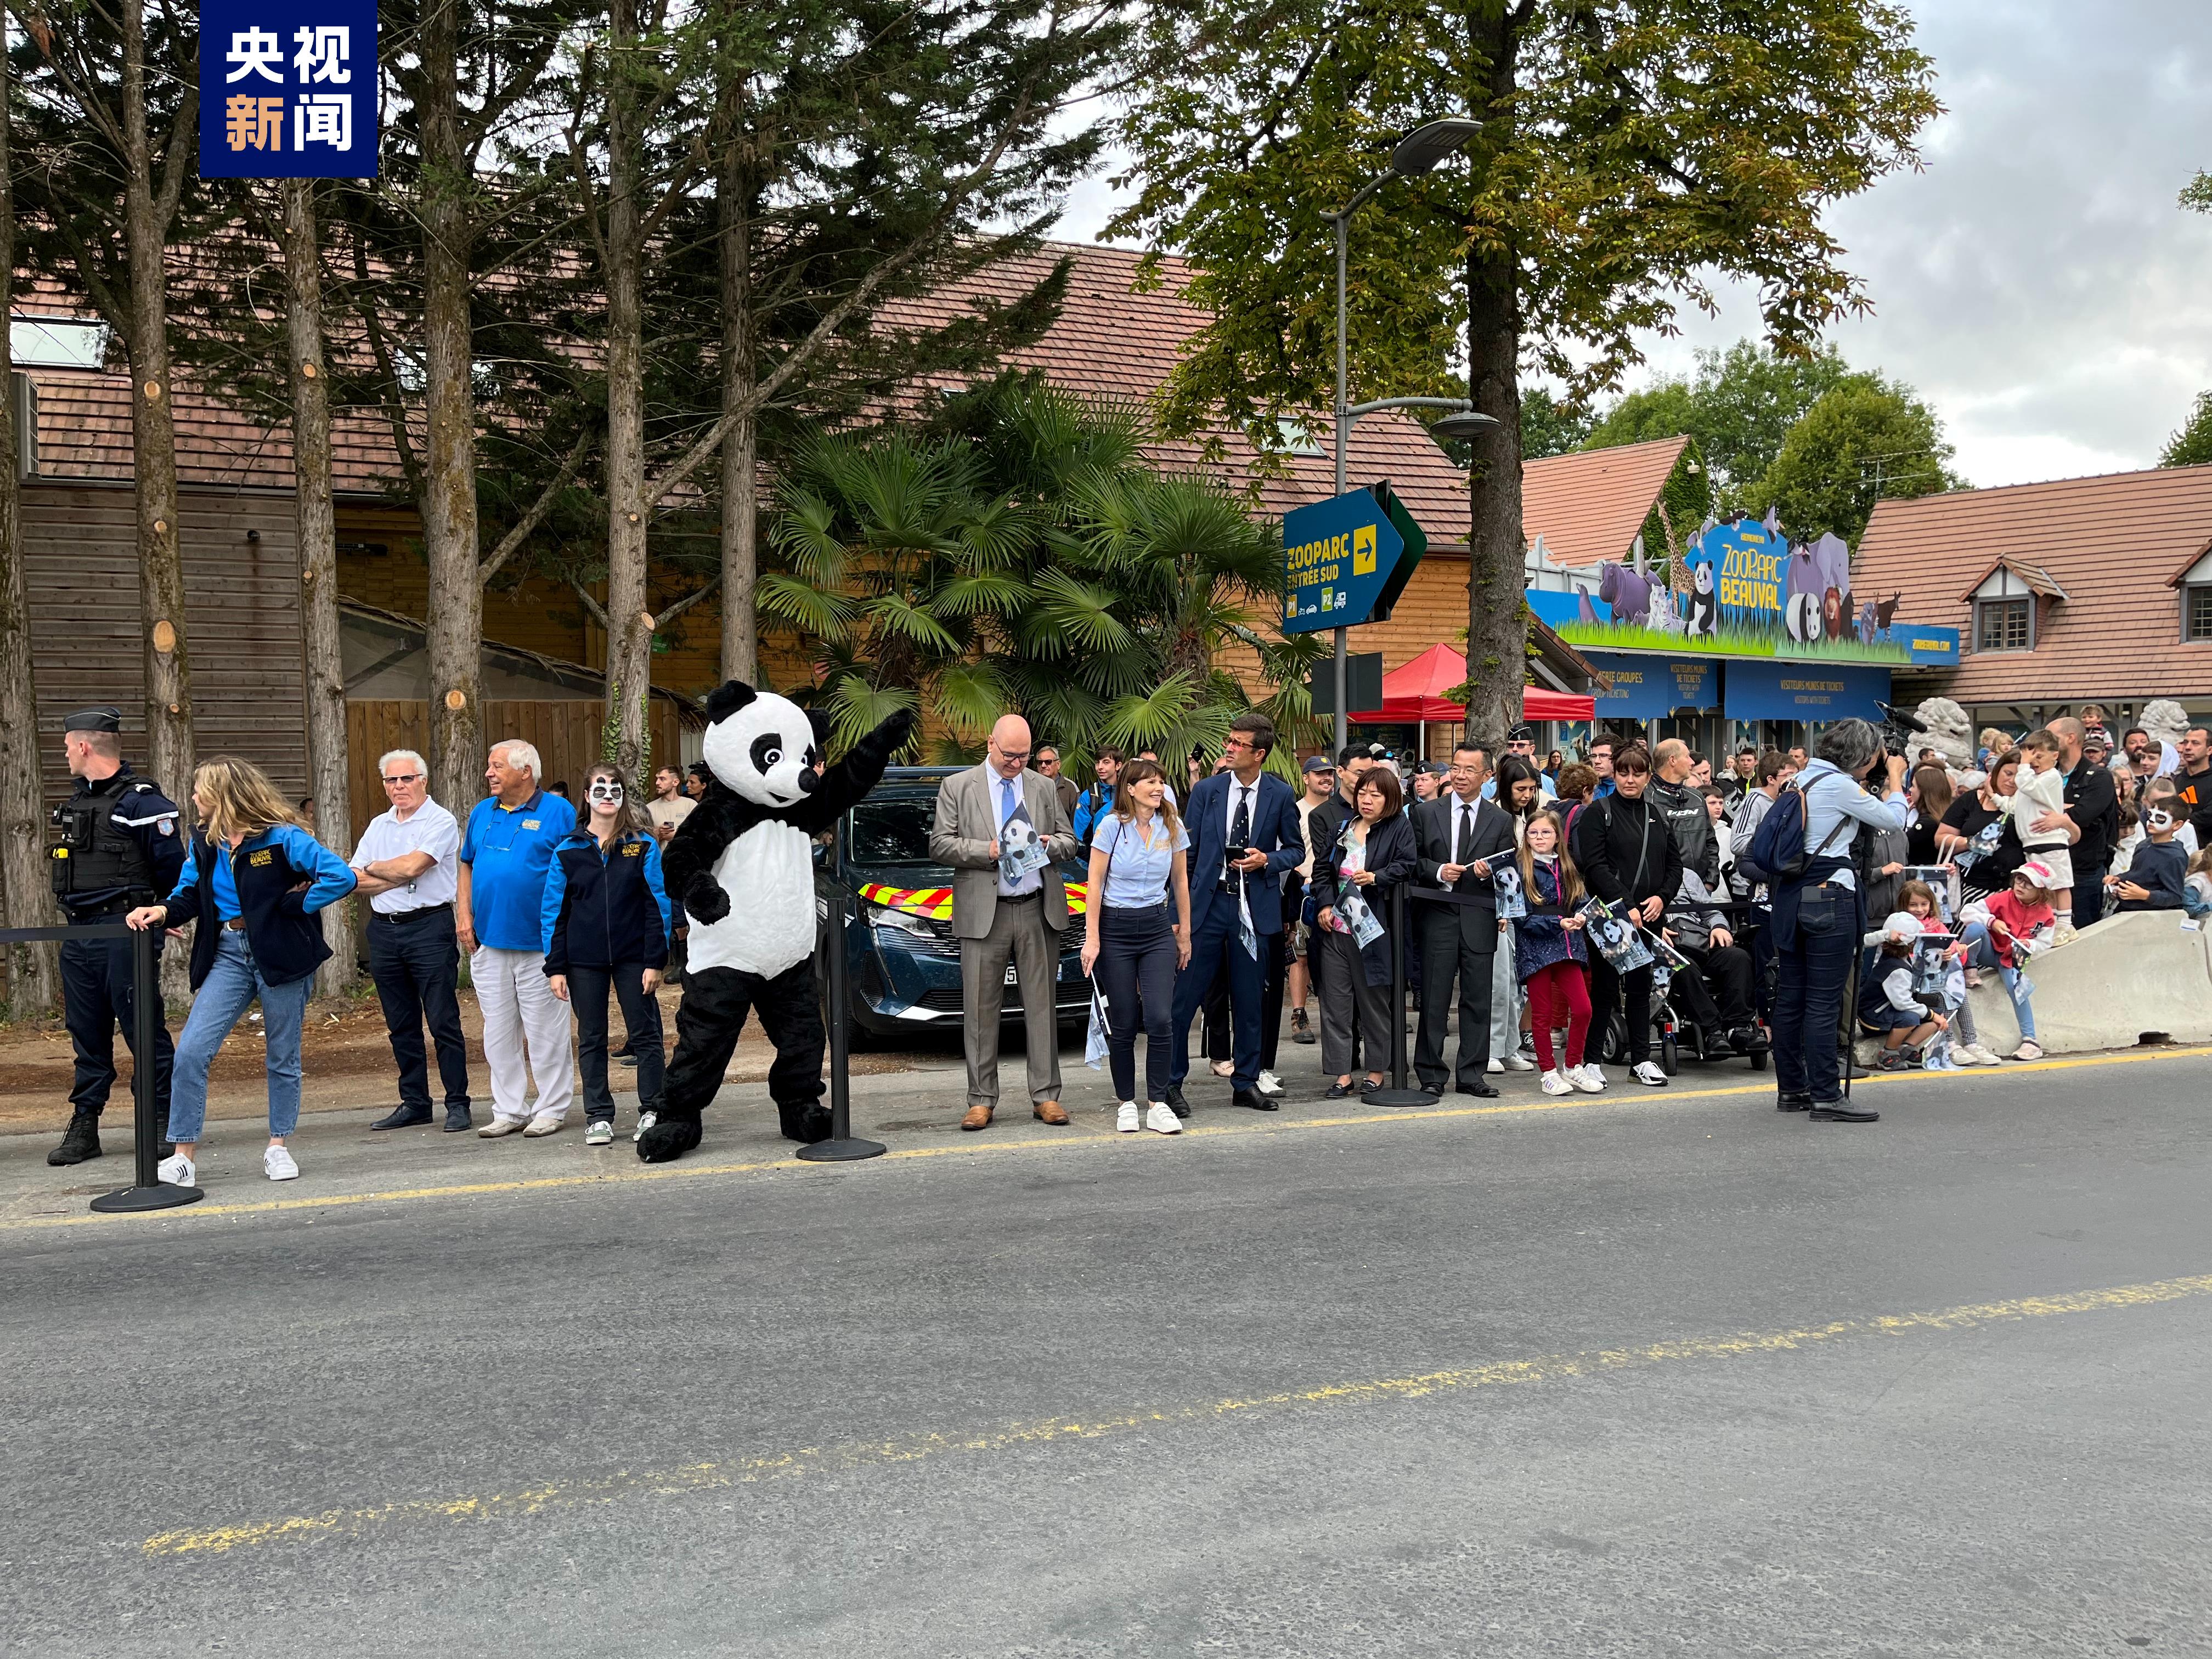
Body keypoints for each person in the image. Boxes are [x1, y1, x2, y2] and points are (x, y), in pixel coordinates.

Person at [126, 757, 357, 1188]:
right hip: (229, 956)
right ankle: (183, 1156)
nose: (193, 797)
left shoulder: (283, 837)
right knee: (192, 1051)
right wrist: (160, 910)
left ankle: (278, 1147)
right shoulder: (205, 841)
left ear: (223, 795)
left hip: (282, 955)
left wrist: (292, 906)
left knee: (282, 1056)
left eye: (199, 790)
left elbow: (340, 876)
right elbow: (187, 895)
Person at [44, 707, 184, 1168]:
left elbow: (173, 869)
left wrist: (164, 912)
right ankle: (86, 1123)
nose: (65, 754)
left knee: (142, 1027)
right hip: (81, 932)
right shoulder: (77, 800)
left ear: (84, 747)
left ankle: (162, 1118)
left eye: (67, 747)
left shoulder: (143, 803)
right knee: (86, 1031)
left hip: (129, 930)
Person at [930, 714, 1082, 1131]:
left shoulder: (1043, 786)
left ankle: (1047, 1096)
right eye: (1011, 756)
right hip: (986, 911)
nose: (1018, 763)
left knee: (1042, 1008)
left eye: (1025, 756)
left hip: (1036, 907)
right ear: (990, 745)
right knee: (981, 1010)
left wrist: (1052, 844)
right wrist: (989, 850)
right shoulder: (958, 787)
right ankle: (981, 1100)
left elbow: (1071, 841)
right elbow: (940, 844)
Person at [1767, 719, 1908, 1121]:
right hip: (1829, 894)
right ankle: (1827, 1094)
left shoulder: (1799, 780)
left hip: (1793, 893)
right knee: (1824, 1001)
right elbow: (1893, 819)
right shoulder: (1841, 786)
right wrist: (1895, 779)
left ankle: (1793, 1089)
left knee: (1792, 996)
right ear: (1863, 758)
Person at [1165, 714, 1305, 1114]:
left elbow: (1295, 850)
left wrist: (1269, 859)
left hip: (1253, 910)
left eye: (1239, 743)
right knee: (1185, 999)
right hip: (1207, 908)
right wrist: (1179, 914)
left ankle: (1245, 1081)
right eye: (1230, 740)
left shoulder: (1279, 794)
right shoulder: (1208, 790)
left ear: (1259, 753)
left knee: (1250, 1002)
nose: (1229, 747)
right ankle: (1171, 1084)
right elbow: (1185, 857)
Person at [541, 765, 672, 1147]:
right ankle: (598, 1114)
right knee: (592, 1037)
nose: (608, 795)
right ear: (586, 796)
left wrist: (655, 960)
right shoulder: (567, 850)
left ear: (623, 796)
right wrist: (556, 967)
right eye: (600, 788)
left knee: (646, 1035)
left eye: (615, 788)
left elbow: (657, 904)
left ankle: (653, 1108)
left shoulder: (642, 844)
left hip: (635, 958)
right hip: (584, 961)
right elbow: (554, 911)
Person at [458, 740, 579, 1137]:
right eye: (489, 766)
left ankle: (551, 1108)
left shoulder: (559, 812)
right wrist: (463, 914)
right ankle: (509, 1109)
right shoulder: (482, 811)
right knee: (498, 1030)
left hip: (540, 943)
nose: (489, 773)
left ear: (525, 771)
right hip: (489, 940)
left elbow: (575, 870)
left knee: (545, 1029)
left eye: (497, 767)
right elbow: (466, 864)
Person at [350, 748, 472, 1132]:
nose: (399, 786)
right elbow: (354, 879)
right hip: (384, 931)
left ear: (423, 780)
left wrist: (381, 870)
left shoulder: (440, 820)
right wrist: (391, 872)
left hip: (428, 928)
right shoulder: (378, 825)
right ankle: (415, 1102)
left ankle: (458, 1103)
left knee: (442, 1021)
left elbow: (415, 866)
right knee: (400, 1024)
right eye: (392, 780)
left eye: (407, 779)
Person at [1080, 758, 1192, 1135]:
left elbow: (1180, 883)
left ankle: (1158, 1103)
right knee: (1124, 1021)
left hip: (1157, 927)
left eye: (1161, 781)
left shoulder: (1171, 826)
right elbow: (1094, 884)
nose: (1158, 787)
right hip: (1115, 928)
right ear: (1130, 789)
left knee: (1161, 1017)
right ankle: (1126, 1101)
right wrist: (1092, 937)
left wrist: (1185, 933)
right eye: (1150, 782)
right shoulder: (1111, 827)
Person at [1410, 743, 1520, 1097]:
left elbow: (1509, 870)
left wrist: (1492, 872)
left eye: (1469, 770)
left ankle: (1472, 1074)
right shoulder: (1426, 813)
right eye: (1455, 768)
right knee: (1434, 1000)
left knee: (1477, 1000)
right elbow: (1411, 861)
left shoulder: (1502, 820)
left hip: (1479, 918)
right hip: (1437, 916)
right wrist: (1440, 870)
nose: (1460, 775)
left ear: (1487, 776)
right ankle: (1430, 1073)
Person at [1570, 744, 1681, 1086]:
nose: (1630, 780)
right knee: (1604, 990)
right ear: (1614, 774)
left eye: (1637, 773)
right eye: (1623, 773)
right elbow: (1594, 866)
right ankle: (1591, 1061)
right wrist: (1626, 903)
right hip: (1610, 917)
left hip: (1650, 915)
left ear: (1649, 776)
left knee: (1640, 988)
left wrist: (1662, 898)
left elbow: (1675, 865)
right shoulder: (1597, 812)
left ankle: (1642, 1060)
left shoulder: (1658, 815)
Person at [1312, 765, 1417, 1098]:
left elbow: (1407, 864)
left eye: (1376, 795)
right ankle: (1342, 1073)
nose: (1367, 800)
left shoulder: (1398, 827)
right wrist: (1325, 905)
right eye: (1362, 793)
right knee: (1335, 1003)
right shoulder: (1342, 827)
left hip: (1374, 930)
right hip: (1338, 928)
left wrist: (1377, 877)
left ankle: (1376, 1070)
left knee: (1374, 1003)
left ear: (1391, 799)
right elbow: (1321, 870)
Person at [1513, 809, 1600, 1096]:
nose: (1540, 838)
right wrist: (1557, 922)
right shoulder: (1520, 869)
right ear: (1526, 838)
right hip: (1536, 947)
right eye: (1534, 833)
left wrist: (1583, 917)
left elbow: (1583, 901)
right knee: (1543, 1013)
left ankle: (1573, 1065)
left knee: (1584, 1008)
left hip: (1568, 946)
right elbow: (1520, 916)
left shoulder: (1568, 866)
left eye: (1546, 833)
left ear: (1558, 837)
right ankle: (1548, 1072)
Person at [1958, 861, 2057, 1061]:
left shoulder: (2046, 914)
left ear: (2042, 891)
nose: (2021, 885)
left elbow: (2045, 942)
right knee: (1975, 929)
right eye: (2019, 879)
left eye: (2029, 883)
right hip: (1990, 950)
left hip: (2013, 957)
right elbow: (1966, 913)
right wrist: (1992, 922)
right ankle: (1970, 968)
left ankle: (2031, 1040)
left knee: (2017, 988)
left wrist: (2030, 945)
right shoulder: (2003, 897)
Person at [1898, 877, 1995, 1066]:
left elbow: (1956, 950)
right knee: (1944, 993)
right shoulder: (1902, 926)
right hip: (1918, 984)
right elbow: (1905, 957)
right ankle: (1949, 1042)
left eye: (1924, 904)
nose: (1919, 909)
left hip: (1938, 978)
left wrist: (1956, 951)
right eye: (1913, 905)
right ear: (1904, 905)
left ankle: (1971, 1042)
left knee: (1960, 993)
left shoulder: (1937, 925)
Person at [2047, 716, 2119, 933]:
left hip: (2084, 868)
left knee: (2082, 933)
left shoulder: (2099, 777)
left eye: (2052, 737)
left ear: (2071, 738)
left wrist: (2060, 812)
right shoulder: (2046, 774)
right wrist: (2066, 808)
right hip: (2048, 865)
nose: (2046, 742)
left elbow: (2082, 815)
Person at [2007, 731, 2078, 939]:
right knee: (2046, 886)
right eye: (2030, 758)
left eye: (2039, 757)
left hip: (2050, 841)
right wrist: (1994, 796)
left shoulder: (2051, 777)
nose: (2033, 763)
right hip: (2031, 843)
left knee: (2061, 883)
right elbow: (2015, 805)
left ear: (2055, 755)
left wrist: (2023, 766)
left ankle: (2066, 924)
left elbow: (2028, 786)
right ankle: (2052, 922)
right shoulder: (2032, 781)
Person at [1857, 911, 1950, 1070]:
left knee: (1936, 1012)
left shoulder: (1893, 957)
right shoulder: (1897, 969)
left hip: (1884, 1009)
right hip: (1872, 1018)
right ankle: (1888, 1053)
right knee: (1911, 1017)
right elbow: (1902, 1004)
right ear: (1912, 942)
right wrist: (1932, 1015)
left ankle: (1907, 1048)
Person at [1285, 754, 1336, 1046]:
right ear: (1306, 778)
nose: (1325, 778)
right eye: (1318, 774)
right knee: (1301, 956)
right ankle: (1299, 1014)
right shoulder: (1294, 811)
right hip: (1304, 892)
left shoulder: (1343, 810)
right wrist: (1300, 877)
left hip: (1334, 891)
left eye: (1329, 773)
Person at [1937, 751, 2028, 904]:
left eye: (2019, 777)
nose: (2012, 781)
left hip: (2017, 893)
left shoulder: (2030, 804)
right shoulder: (1971, 799)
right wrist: (1973, 843)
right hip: (1971, 890)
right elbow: (1940, 839)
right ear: (1997, 771)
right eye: (2008, 773)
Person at [2107, 800, 2187, 911]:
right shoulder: (2144, 844)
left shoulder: (2175, 856)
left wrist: (2145, 895)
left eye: (2160, 818)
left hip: (2150, 915)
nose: (2151, 820)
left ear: (2177, 824)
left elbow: (2175, 896)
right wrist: (2119, 878)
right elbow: (2139, 874)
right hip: (2127, 908)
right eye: (2150, 814)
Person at [1072, 747, 1123, 845]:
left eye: (1106, 762)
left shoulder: (1129, 792)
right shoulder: (1088, 796)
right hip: (1096, 854)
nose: (1100, 767)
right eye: (1097, 763)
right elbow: (1080, 838)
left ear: (1118, 766)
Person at [1903, 765, 1953, 866]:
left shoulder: (1927, 824)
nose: (1911, 790)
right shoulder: (1946, 817)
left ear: (1924, 791)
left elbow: (1901, 845)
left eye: (1913, 786)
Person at [1035, 744, 1080, 822]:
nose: (1043, 765)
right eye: (1040, 762)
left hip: (1063, 833)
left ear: (1058, 764)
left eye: (1048, 762)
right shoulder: (1031, 785)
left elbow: (1077, 822)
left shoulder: (1070, 788)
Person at [1586, 733, 1619, 798]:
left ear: (1617, 758)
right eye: (1594, 756)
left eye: (1603, 756)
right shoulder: (1586, 792)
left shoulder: (1629, 790)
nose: (1597, 761)